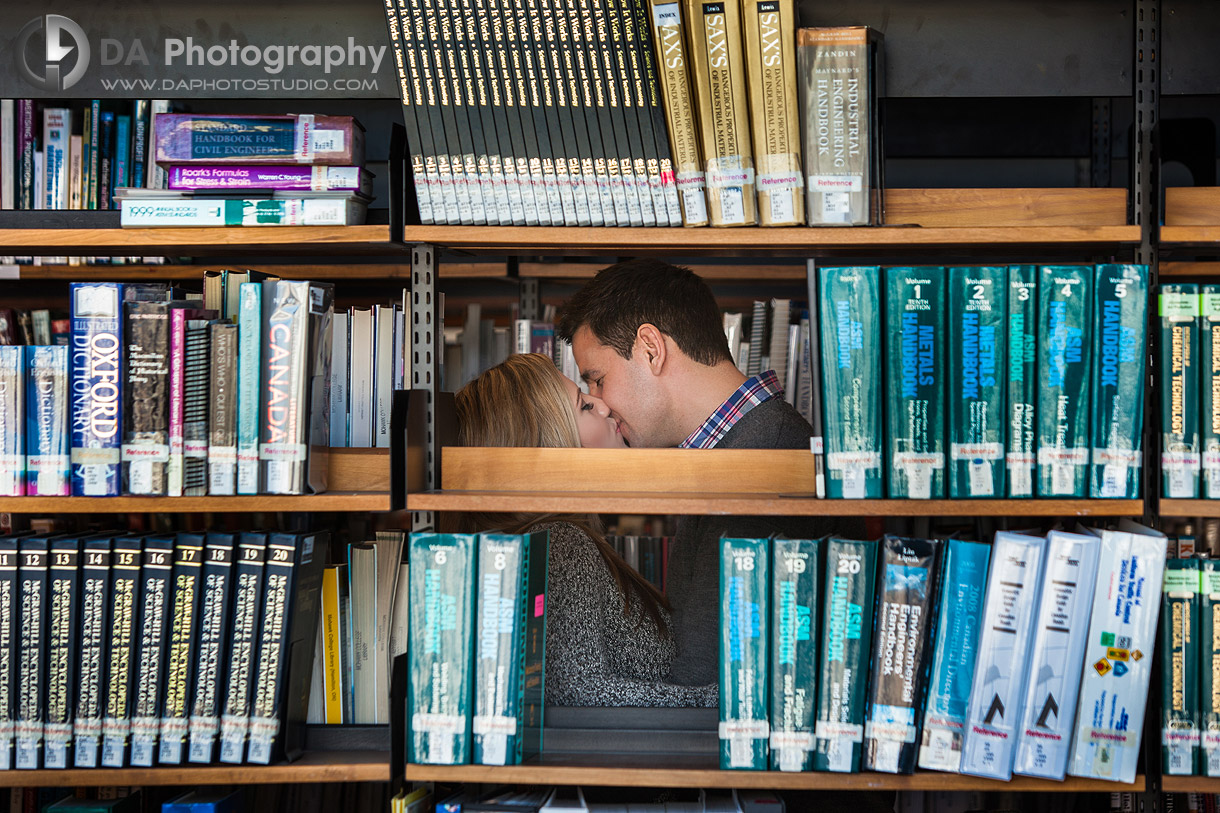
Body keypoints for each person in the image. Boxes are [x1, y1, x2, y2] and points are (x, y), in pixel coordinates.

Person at [557, 260, 816, 687]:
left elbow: (707, 679)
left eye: (598, 380)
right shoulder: (730, 450)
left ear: (651, 348)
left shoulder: (765, 457)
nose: (599, 403)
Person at [454, 353, 716, 707]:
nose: (604, 407)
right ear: (550, 444)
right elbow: (577, 690)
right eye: (583, 406)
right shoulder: (563, 542)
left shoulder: (550, 538)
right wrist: (721, 701)